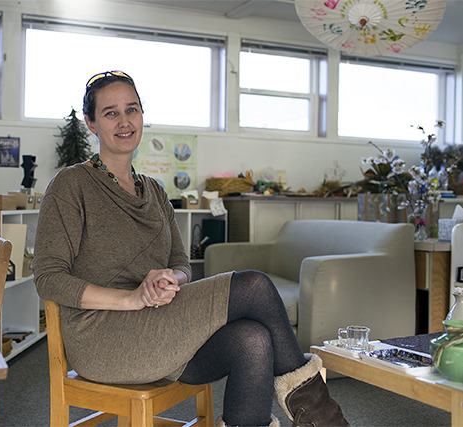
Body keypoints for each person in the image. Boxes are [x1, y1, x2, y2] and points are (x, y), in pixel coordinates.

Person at [33, 71, 349, 427]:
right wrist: (132, 298)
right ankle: (324, 421)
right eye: (110, 113)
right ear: (91, 123)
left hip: (160, 328)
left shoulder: (154, 191)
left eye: (132, 109)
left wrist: (171, 278)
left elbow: (183, 264)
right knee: (254, 286)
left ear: (142, 115)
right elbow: (48, 278)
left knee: (253, 339)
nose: (124, 121)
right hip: (104, 339)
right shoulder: (71, 184)